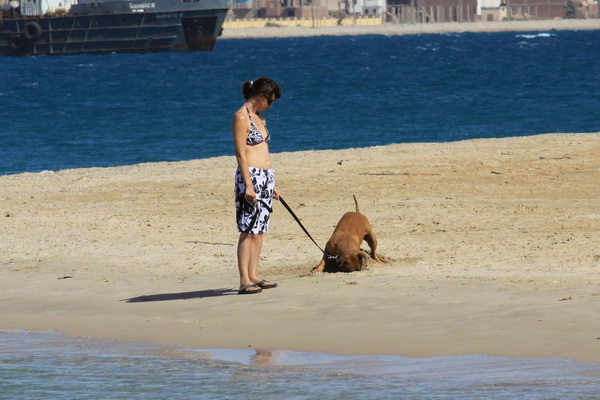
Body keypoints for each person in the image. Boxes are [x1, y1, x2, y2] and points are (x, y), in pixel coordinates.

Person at [232, 77, 282, 294]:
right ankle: (244, 279)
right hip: (249, 177)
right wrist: (249, 186)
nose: (270, 105)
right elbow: (241, 154)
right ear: (261, 96)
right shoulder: (241, 116)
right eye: (270, 100)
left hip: (265, 176)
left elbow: (264, 151)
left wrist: (273, 184)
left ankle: (254, 274)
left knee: (260, 229)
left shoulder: (260, 118)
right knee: (247, 229)